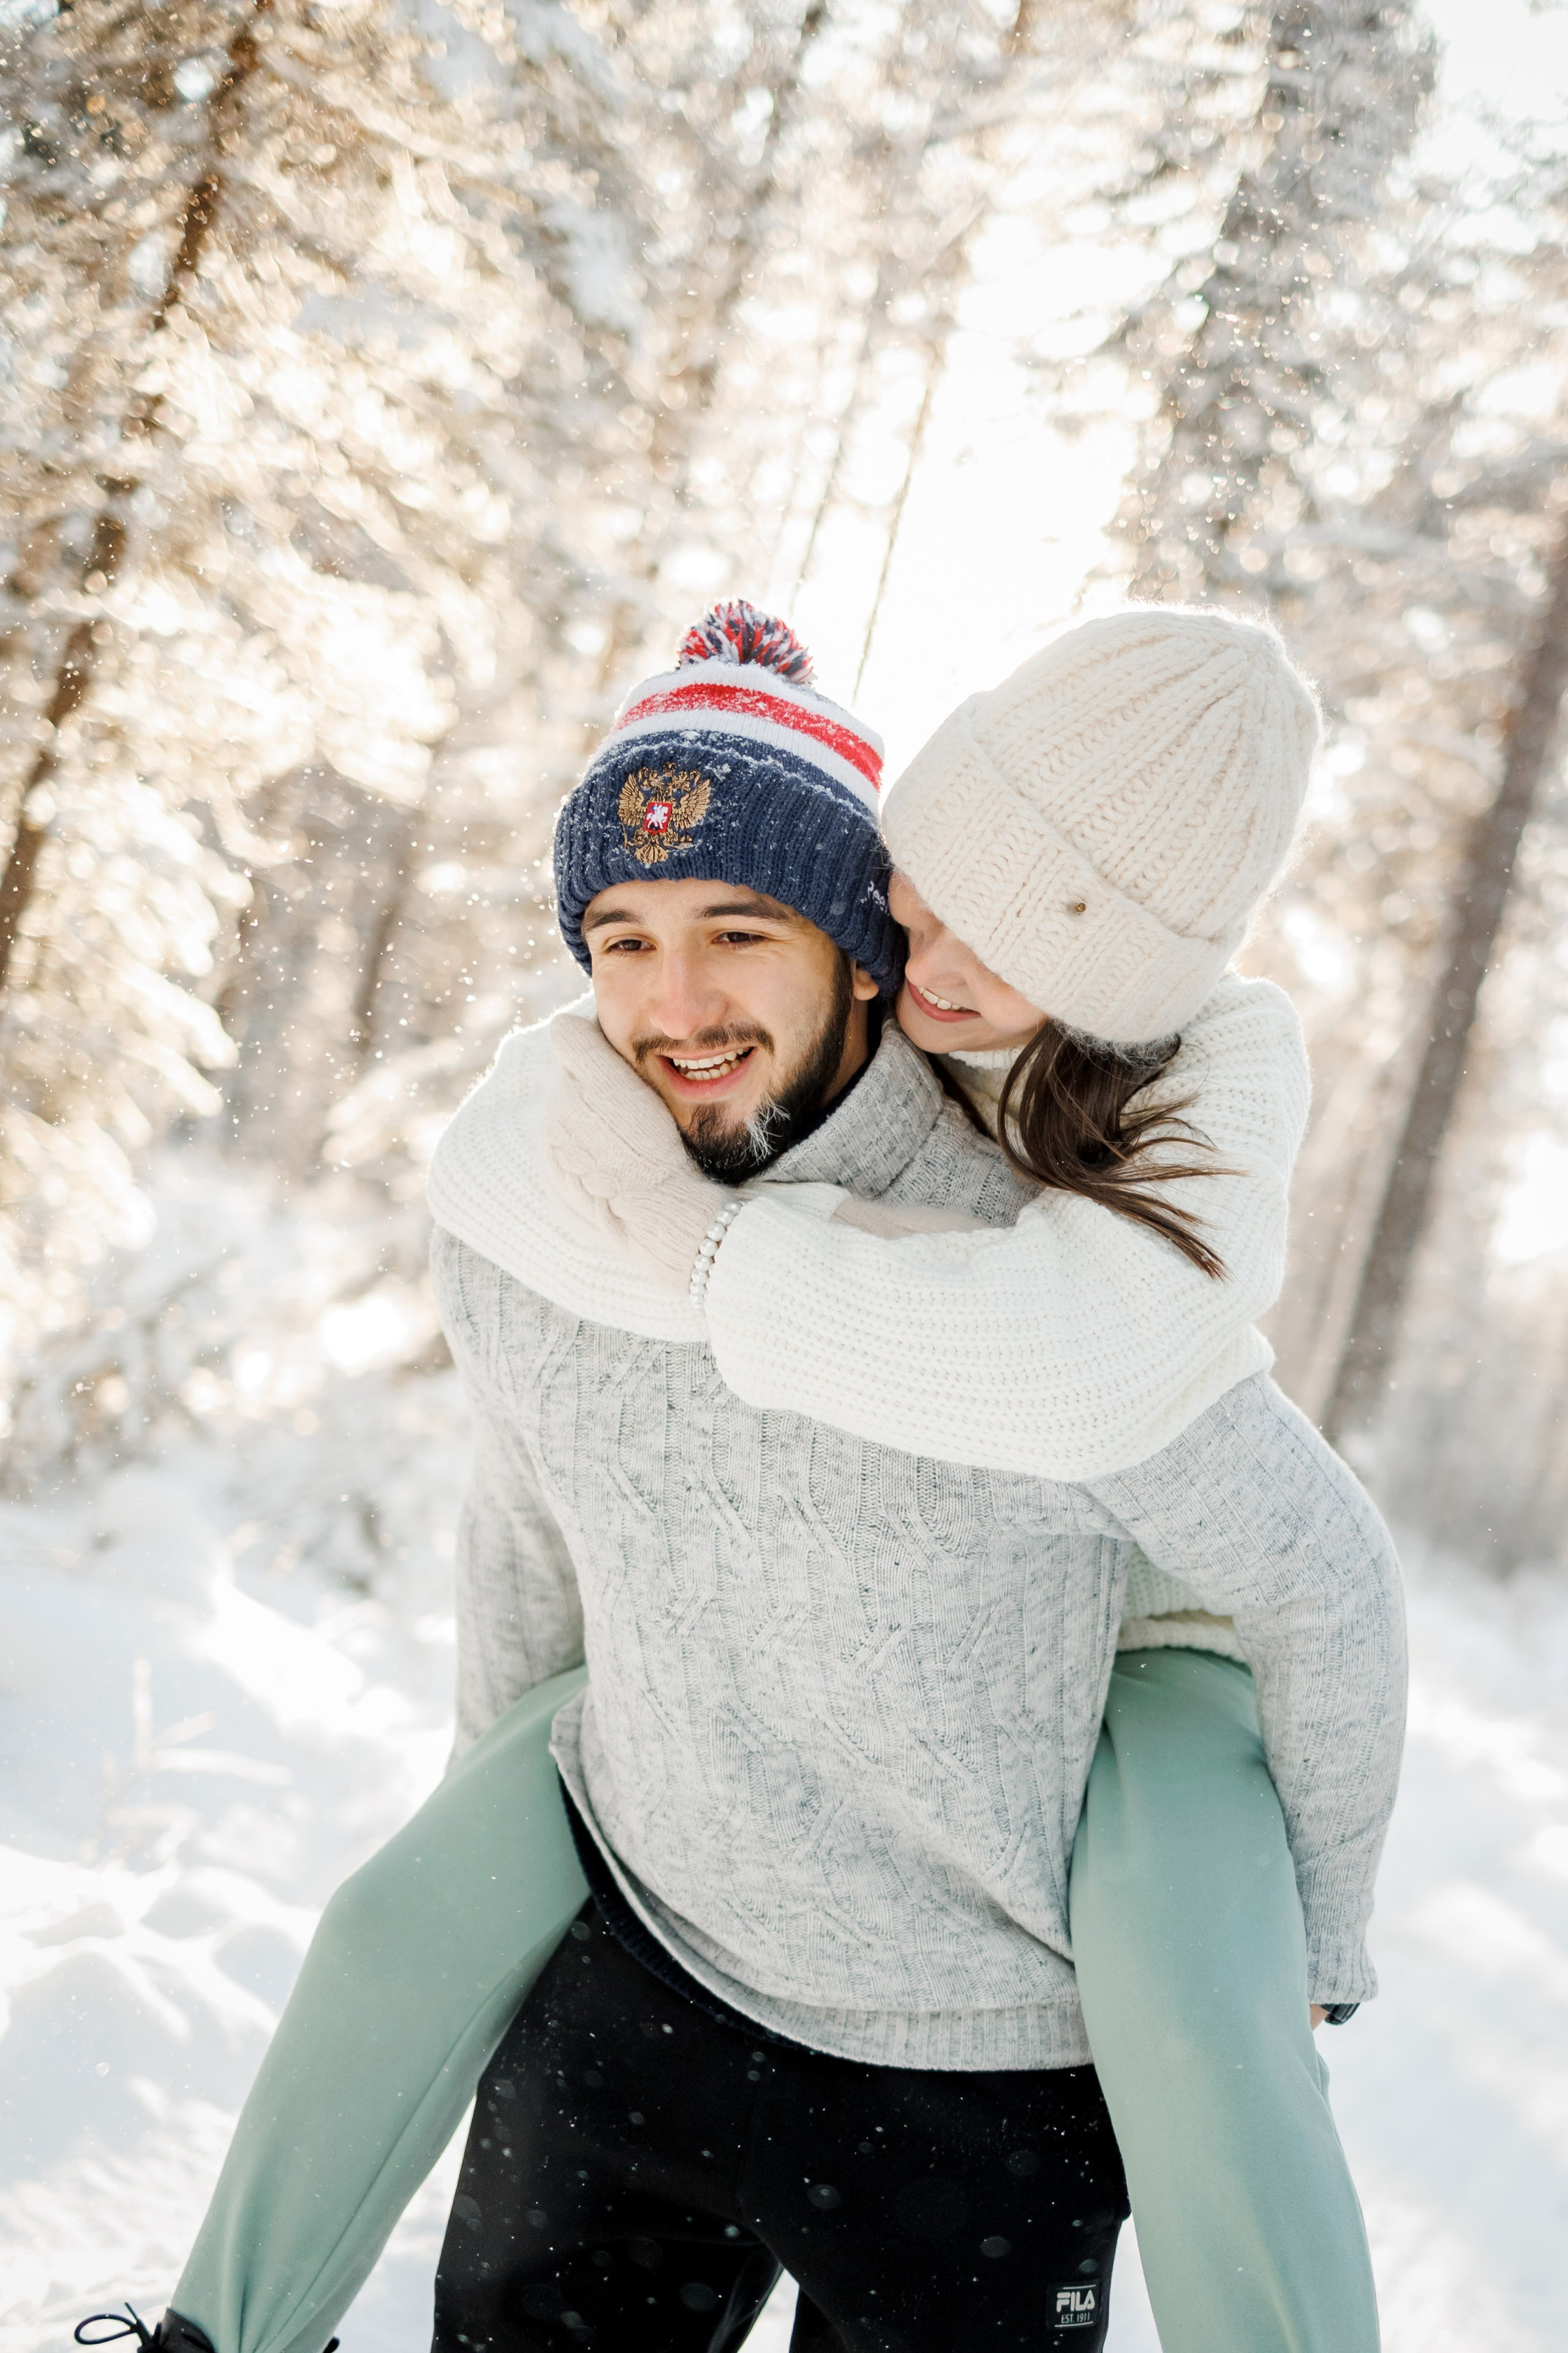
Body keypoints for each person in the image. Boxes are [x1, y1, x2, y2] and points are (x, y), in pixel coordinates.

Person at [96, 603, 1401, 2353]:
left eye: (737, 929)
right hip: (636, 2002)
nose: (677, 1001)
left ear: (856, 945)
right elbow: (528, 1546)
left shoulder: (1055, 1291)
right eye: (622, 937)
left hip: (979, 2097)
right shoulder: (541, 1207)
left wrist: (1315, 1936)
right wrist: (507, 1903)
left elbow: (1321, 1571)